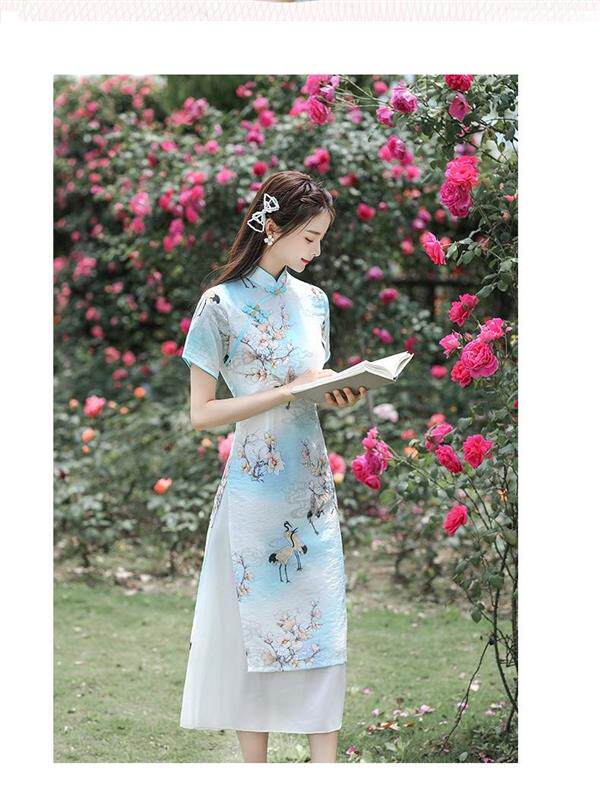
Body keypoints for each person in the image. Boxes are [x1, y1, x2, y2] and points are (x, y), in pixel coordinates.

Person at [178, 170, 368, 763]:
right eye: (309, 237)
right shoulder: (219, 305)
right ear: (273, 227)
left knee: (322, 619)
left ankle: (326, 768)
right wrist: (284, 392)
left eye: (321, 239)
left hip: (310, 485)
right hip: (254, 488)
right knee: (254, 629)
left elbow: (307, 388)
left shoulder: (314, 303)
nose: (316, 251)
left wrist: (334, 392)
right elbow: (202, 414)